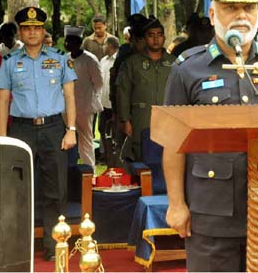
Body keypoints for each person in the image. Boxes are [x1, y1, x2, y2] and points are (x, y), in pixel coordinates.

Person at [162, 0, 258, 272]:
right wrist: (176, 204)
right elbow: (173, 144)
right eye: (230, 7)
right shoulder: (188, 69)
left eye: (248, 7)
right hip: (211, 208)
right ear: (213, 15)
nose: (241, 15)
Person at [0, 7, 77, 261]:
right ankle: (19, 245)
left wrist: (72, 130)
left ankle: (54, 245)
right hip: (21, 130)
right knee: (17, 188)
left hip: (54, 128)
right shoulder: (10, 62)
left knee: (56, 188)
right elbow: (2, 100)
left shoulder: (60, 58)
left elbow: (69, 95)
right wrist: (3, 137)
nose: (32, 32)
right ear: (20, 31)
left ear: (43, 31)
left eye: (37, 28)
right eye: (27, 28)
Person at [116, 17, 175, 160]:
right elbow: (123, 92)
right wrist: (125, 120)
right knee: (140, 157)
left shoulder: (174, 63)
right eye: (151, 35)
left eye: (159, 35)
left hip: (168, 118)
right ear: (144, 38)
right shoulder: (132, 63)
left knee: (168, 156)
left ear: (164, 37)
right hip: (141, 118)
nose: (156, 39)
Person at [64, 26, 103, 169]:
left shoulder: (90, 60)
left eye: (72, 41)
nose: (68, 44)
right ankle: (69, 170)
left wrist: (89, 99)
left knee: (86, 141)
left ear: (79, 42)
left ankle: (89, 173)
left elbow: (99, 83)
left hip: (84, 107)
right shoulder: (64, 59)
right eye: (67, 41)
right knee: (67, 140)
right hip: (66, 108)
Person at [98, 36, 119, 164]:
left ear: (110, 46)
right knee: (102, 129)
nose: (103, 47)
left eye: (104, 45)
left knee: (115, 132)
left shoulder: (118, 60)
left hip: (114, 105)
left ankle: (114, 157)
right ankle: (104, 155)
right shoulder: (103, 60)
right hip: (103, 103)